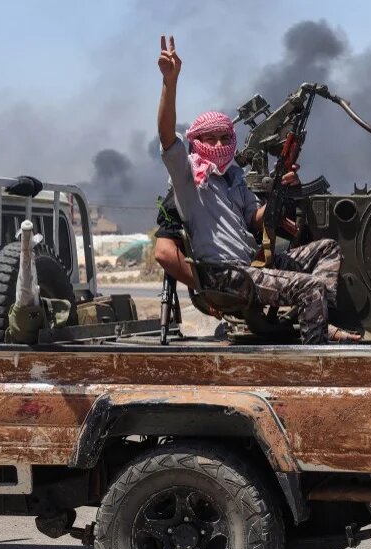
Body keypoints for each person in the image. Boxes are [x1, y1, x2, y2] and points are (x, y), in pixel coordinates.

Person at [153, 35, 356, 344]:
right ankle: (316, 353)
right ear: (197, 141)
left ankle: (317, 317)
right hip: (224, 275)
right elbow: (167, 135)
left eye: (225, 138)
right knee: (309, 287)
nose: (219, 144)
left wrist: (279, 192)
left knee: (326, 249)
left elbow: (256, 219)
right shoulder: (188, 176)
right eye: (210, 138)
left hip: (249, 266)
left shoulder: (234, 177)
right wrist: (170, 82)